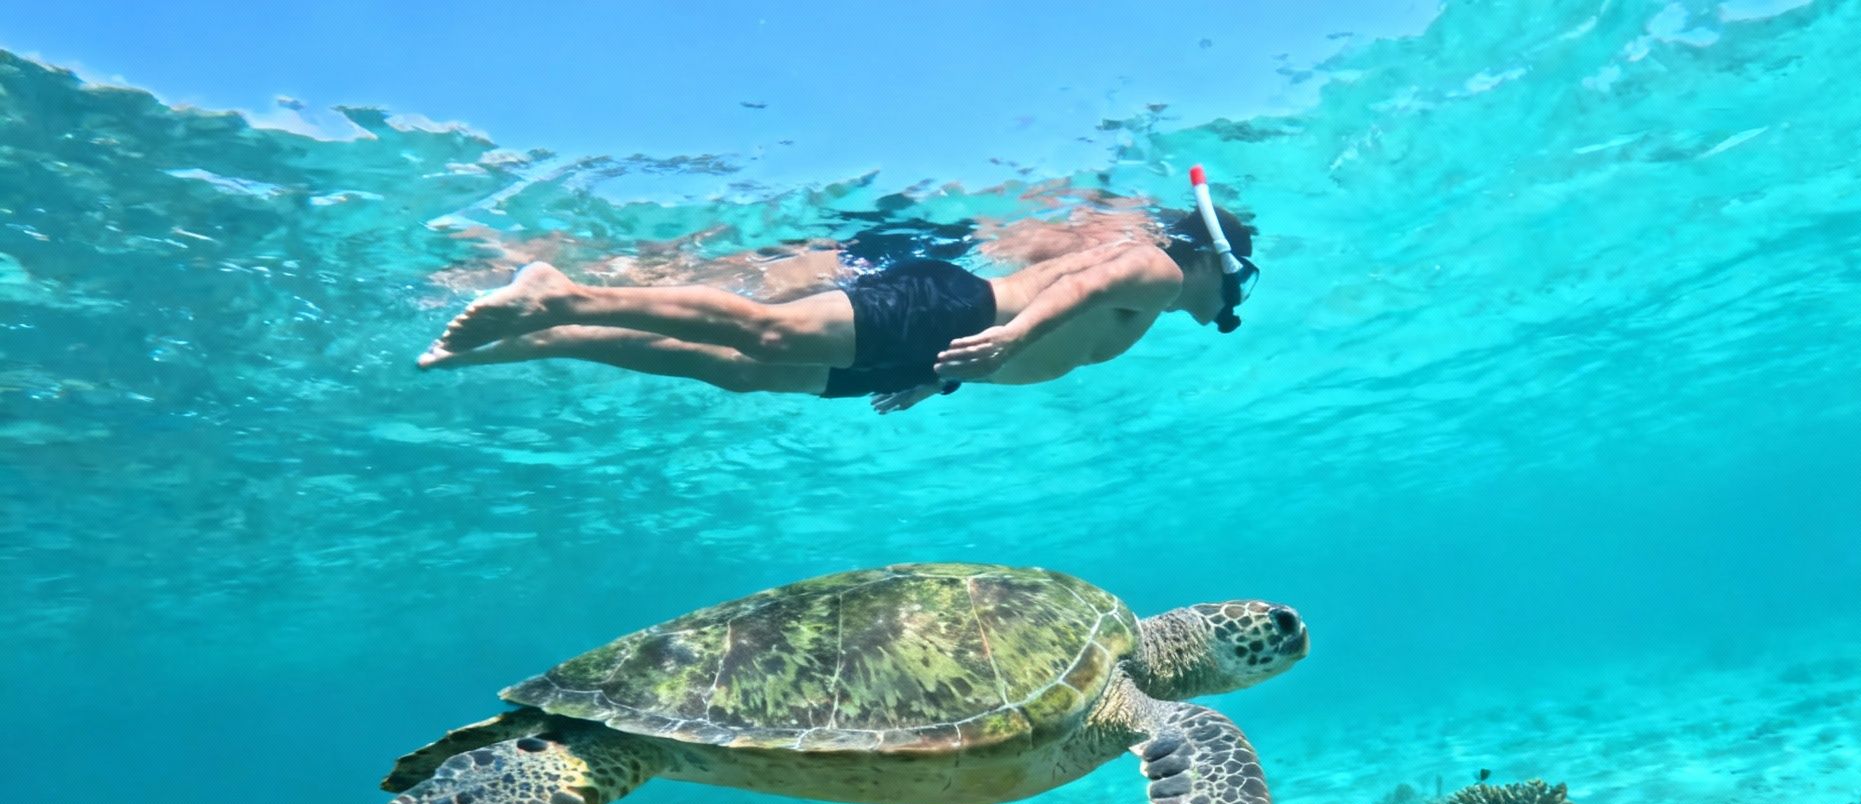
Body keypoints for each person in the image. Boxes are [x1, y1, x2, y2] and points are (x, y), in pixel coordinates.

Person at [415, 176, 1258, 414]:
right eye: (1241, 275)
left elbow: (1060, 330)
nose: (1233, 296)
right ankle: (564, 294)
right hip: (954, 306)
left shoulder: (1159, 299)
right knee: (768, 334)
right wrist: (1002, 340)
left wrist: (946, 375)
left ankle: (543, 336)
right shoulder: (1158, 269)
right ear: (1219, 258)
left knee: (746, 371)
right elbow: (1089, 280)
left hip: (942, 346)